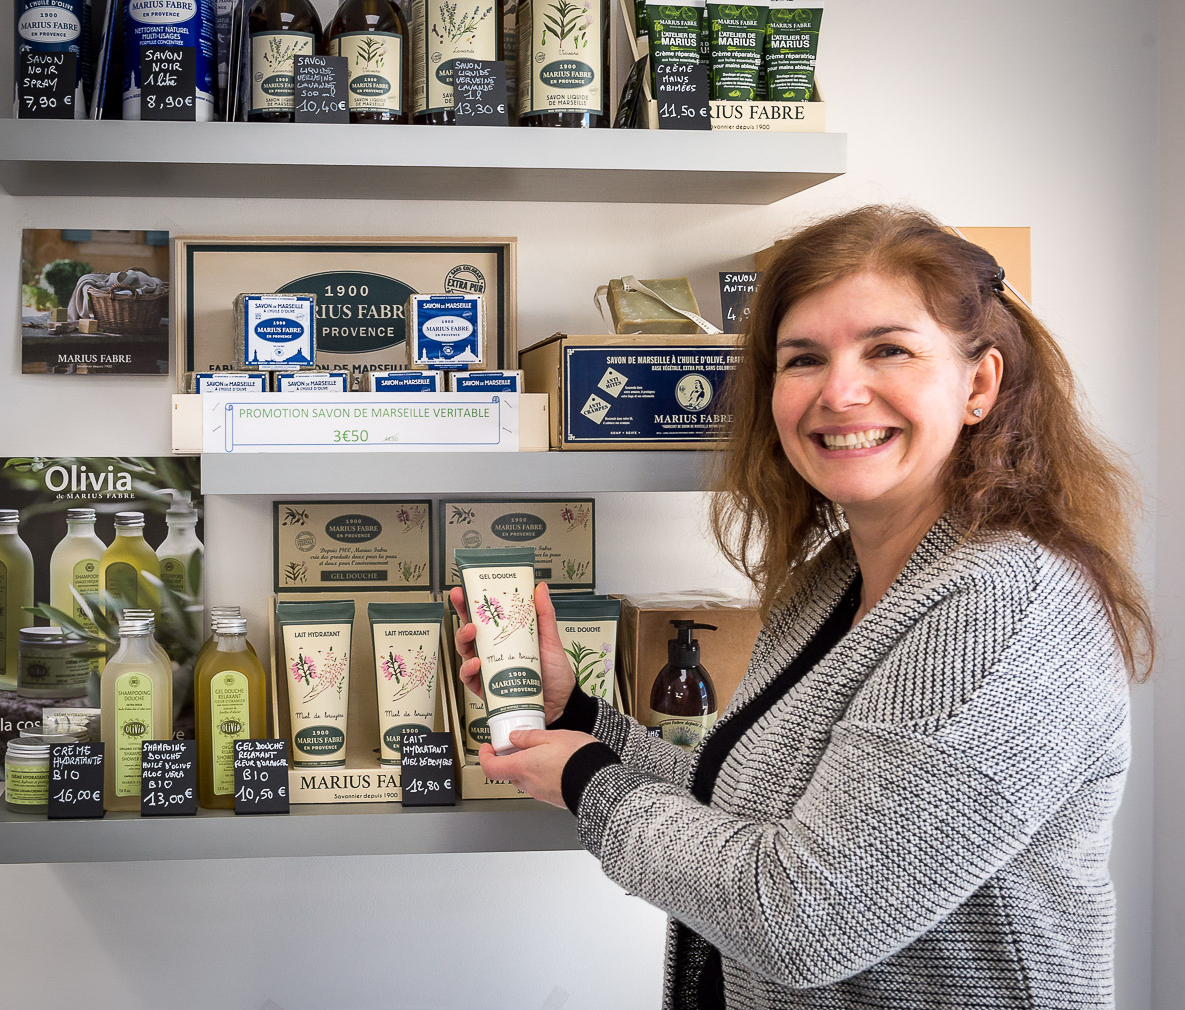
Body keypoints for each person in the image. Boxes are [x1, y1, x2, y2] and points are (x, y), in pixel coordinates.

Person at [450, 205, 1151, 1009]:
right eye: (804, 359)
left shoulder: (1006, 611)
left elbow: (804, 916)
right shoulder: (833, 578)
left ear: (979, 385)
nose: (839, 391)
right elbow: (743, 807)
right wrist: (577, 717)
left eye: (889, 349)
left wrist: (588, 781)